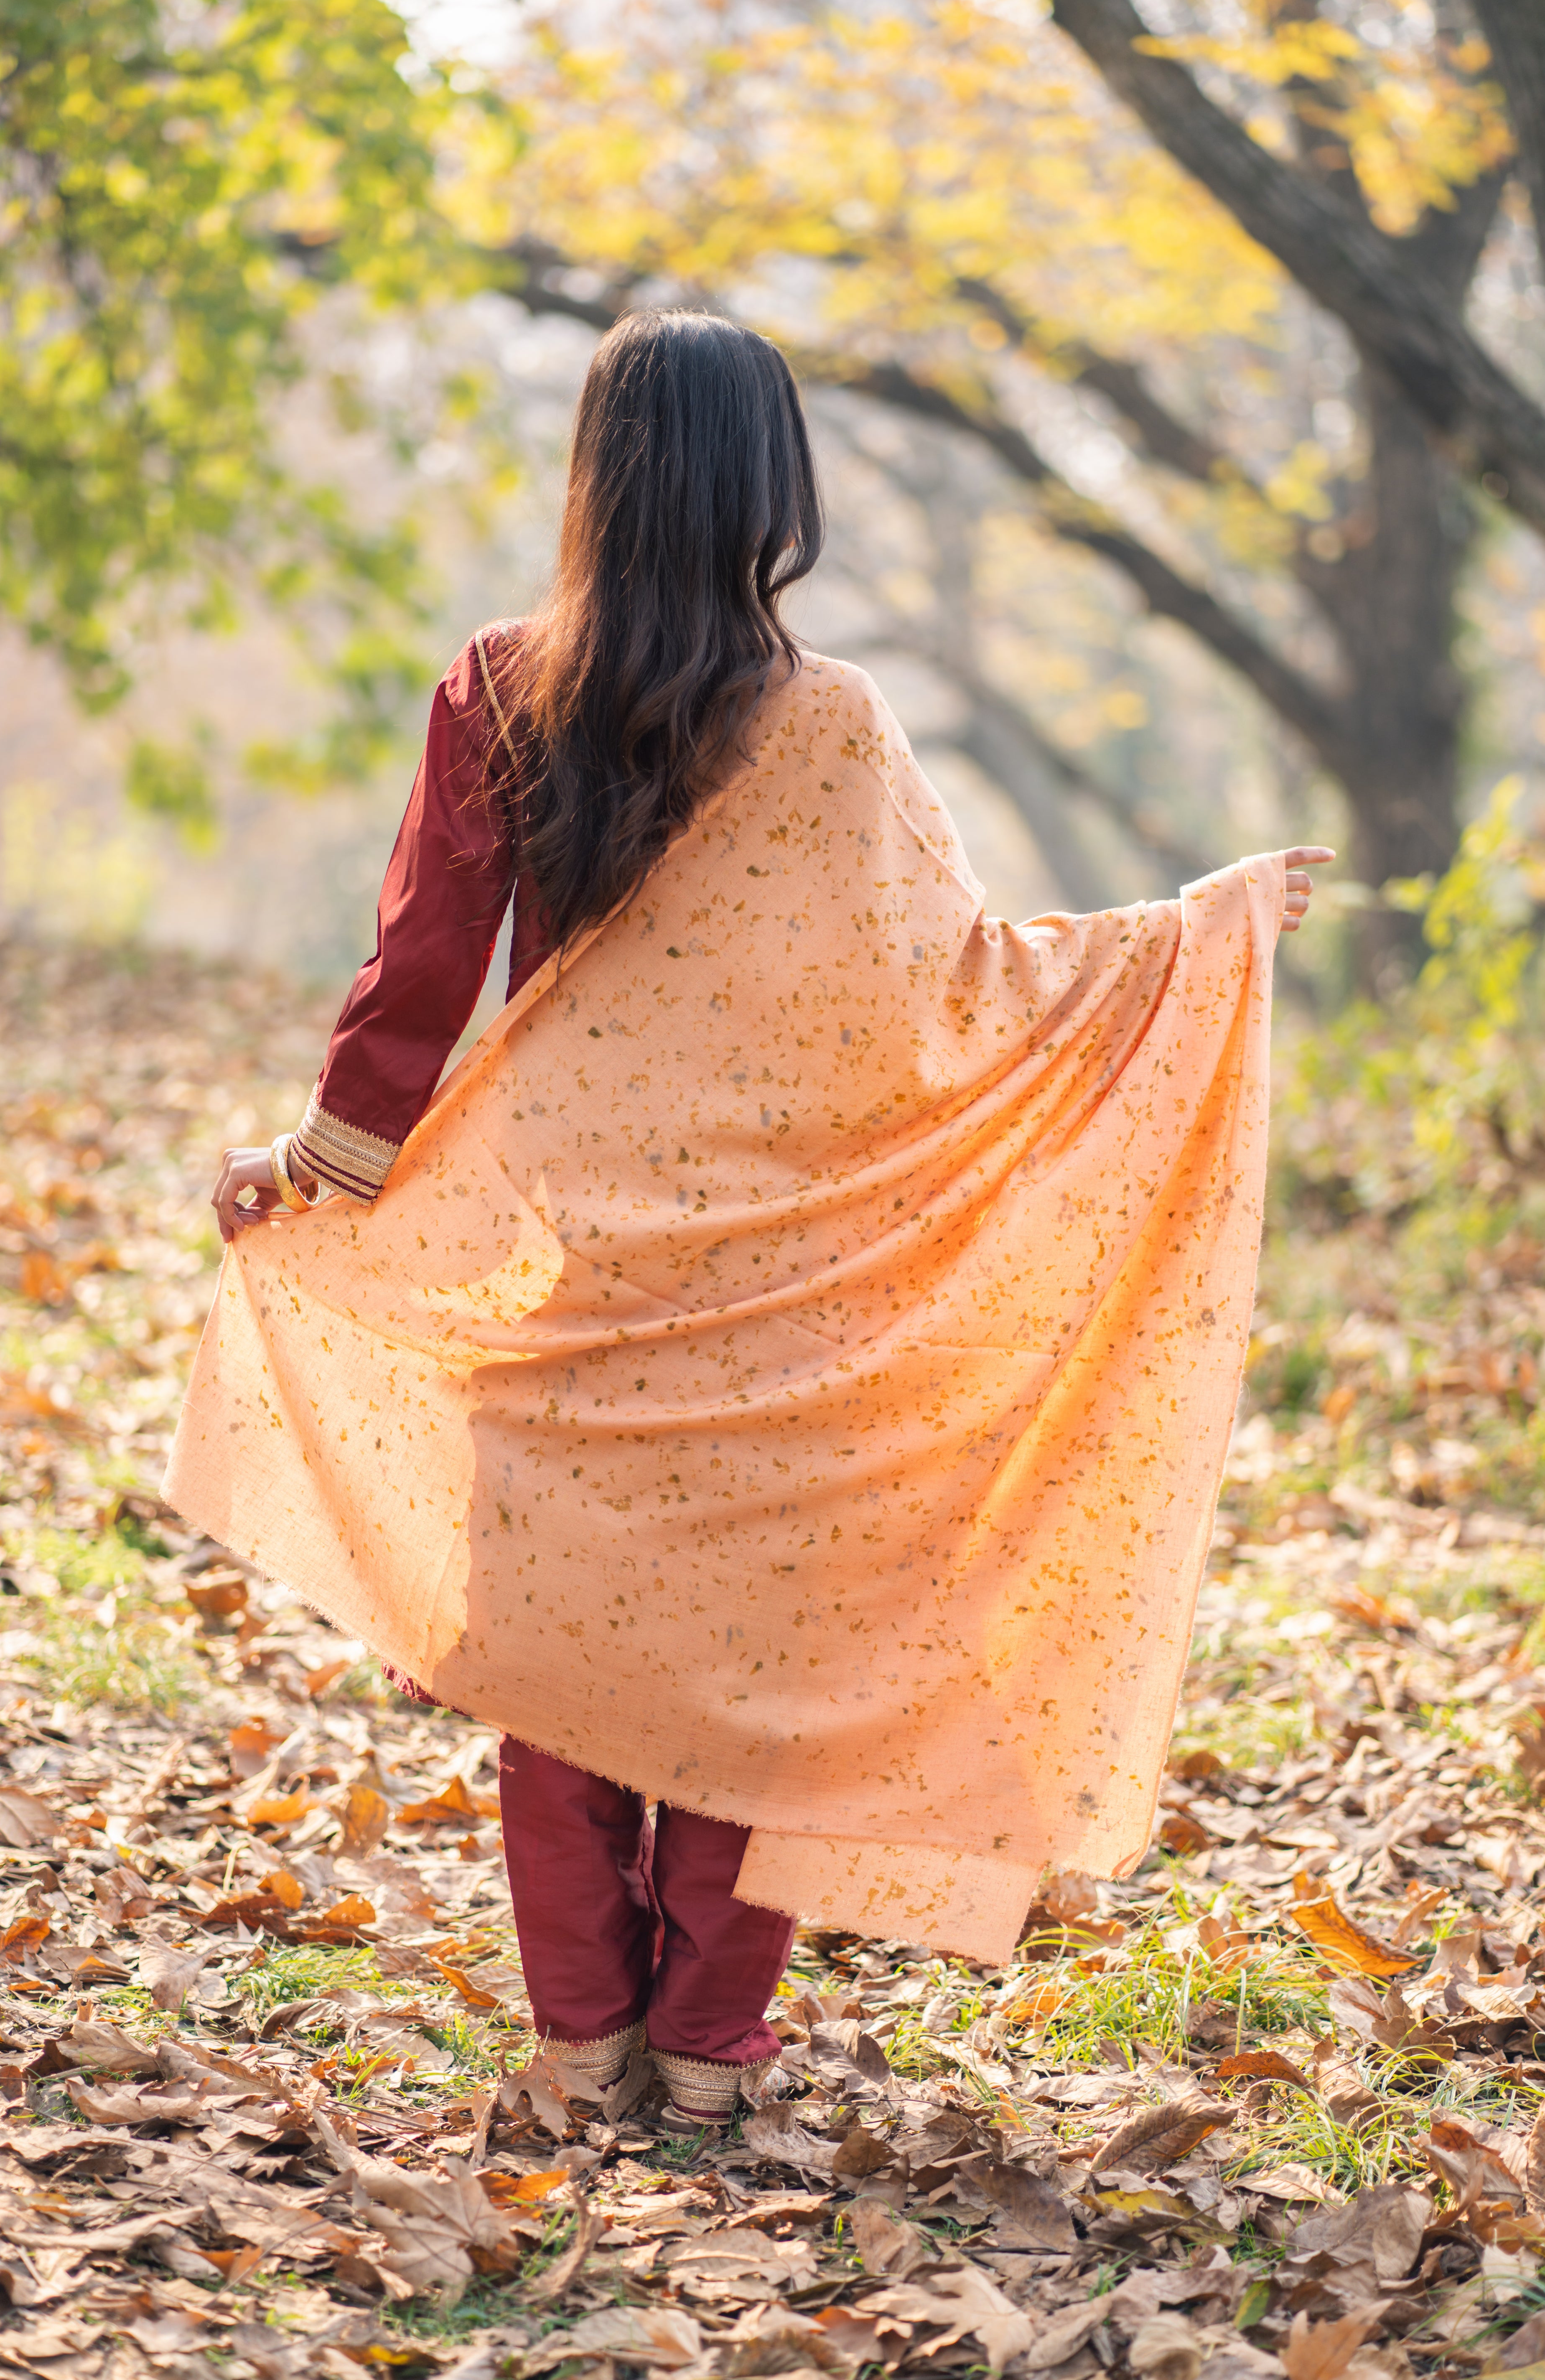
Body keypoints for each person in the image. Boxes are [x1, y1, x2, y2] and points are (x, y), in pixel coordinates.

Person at [176, 308, 1330, 2126]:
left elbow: (417, 977)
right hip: (798, 1293)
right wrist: (1196, 936)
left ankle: (579, 2044)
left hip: (572, 1276)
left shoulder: (498, 685)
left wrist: (323, 1173)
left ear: (598, 472)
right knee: (748, 1680)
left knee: (553, 1670)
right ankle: (710, 2052)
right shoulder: (834, 723)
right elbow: (955, 987)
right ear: (772, 487)